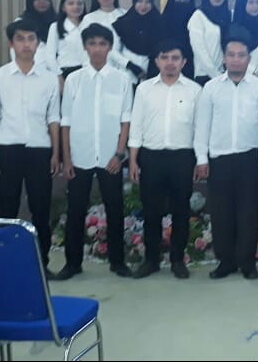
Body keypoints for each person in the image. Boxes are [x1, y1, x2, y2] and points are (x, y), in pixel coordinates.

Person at [56, 23, 133, 280]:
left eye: (102, 44)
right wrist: (67, 159)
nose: (97, 49)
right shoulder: (74, 80)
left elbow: (125, 121)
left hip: (111, 157)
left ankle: (117, 262)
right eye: (92, 44)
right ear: (85, 47)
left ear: (110, 47)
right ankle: (72, 264)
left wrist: (119, 154)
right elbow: (65, 122)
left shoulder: (121, 79)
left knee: (115, 209)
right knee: (76, 210)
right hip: (80, 156)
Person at [194, 30, 258, 281]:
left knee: (249, 211)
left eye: (241, 55)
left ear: (249, 59)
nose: (236, 59)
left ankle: (247, 263)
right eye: (231, 55)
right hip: (219, 158)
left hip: (251, 157)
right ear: (224, 58)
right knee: (221, 212)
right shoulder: (211, 88)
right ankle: (225, 261)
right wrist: (202, 158)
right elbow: (202, 126)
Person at [128, 40, 202, 279]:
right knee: (151, 211)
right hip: (151, 157)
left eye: (175, 58)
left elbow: (199, 129)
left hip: (182, 157)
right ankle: (151, 260)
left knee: (181, 210)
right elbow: (136, 126)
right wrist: (133, 160)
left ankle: (177, 260)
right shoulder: (144, 89)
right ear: (156, 61)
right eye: (165, 57)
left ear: (184, 62)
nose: (170, 63)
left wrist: (199, 160)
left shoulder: (194, 90)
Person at [0, 19, 61, 277]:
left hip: (39, 149)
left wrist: (56, 153)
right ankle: (4, 264)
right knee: (6, 209)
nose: (26, 44)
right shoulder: (1, 76)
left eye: (31, 39)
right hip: (8, 148)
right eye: (20, 39)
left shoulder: (49, 79)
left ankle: (41, 264)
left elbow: (53, 118)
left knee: (40, 208)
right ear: (11, 43)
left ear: (38, 43)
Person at [80, 0, 138, 82]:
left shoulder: (126, 15)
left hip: (124, 71)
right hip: (96, 70)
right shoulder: (89, 18)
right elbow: (84, 48)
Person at [113, 0, 161, 85]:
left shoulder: (160, 23)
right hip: (126, 74)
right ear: (134, 2)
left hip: (151, 75)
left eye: (147, 2)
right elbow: (112, 51)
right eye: (140, 1)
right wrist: (130, 66)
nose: (143, 5)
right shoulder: (122, 24)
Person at [187, 0, 230, 86]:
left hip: (227, 74)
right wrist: (216, 75)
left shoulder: (229, 15)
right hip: (205, 75)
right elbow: (200, 51)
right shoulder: (198, 16)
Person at [45, 0, 87, 86]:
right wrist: (59, 76)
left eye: (79, 3)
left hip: (86, 71)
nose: (76, 6)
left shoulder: (89, 25)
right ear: (63, 7)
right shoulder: (55, 27)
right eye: (71, 3)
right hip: (66, 72)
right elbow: (49, 56)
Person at [10, 0, 56, 70]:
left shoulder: (57, 22)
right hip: (31, 69)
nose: (42, 2)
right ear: (30, 1)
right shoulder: (21, 22)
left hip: (56, 71)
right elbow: (15, 50)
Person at [160, 0, 196, 79]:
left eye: (186, 1)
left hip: (193, 68)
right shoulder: (162, 23)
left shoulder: (197, 22)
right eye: (179, 1)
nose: (182, 4)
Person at [231, 0, 258, 77]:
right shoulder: (234, 30)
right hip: (239, 78)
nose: (255, 6)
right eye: (251, 2)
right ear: (242, 4)